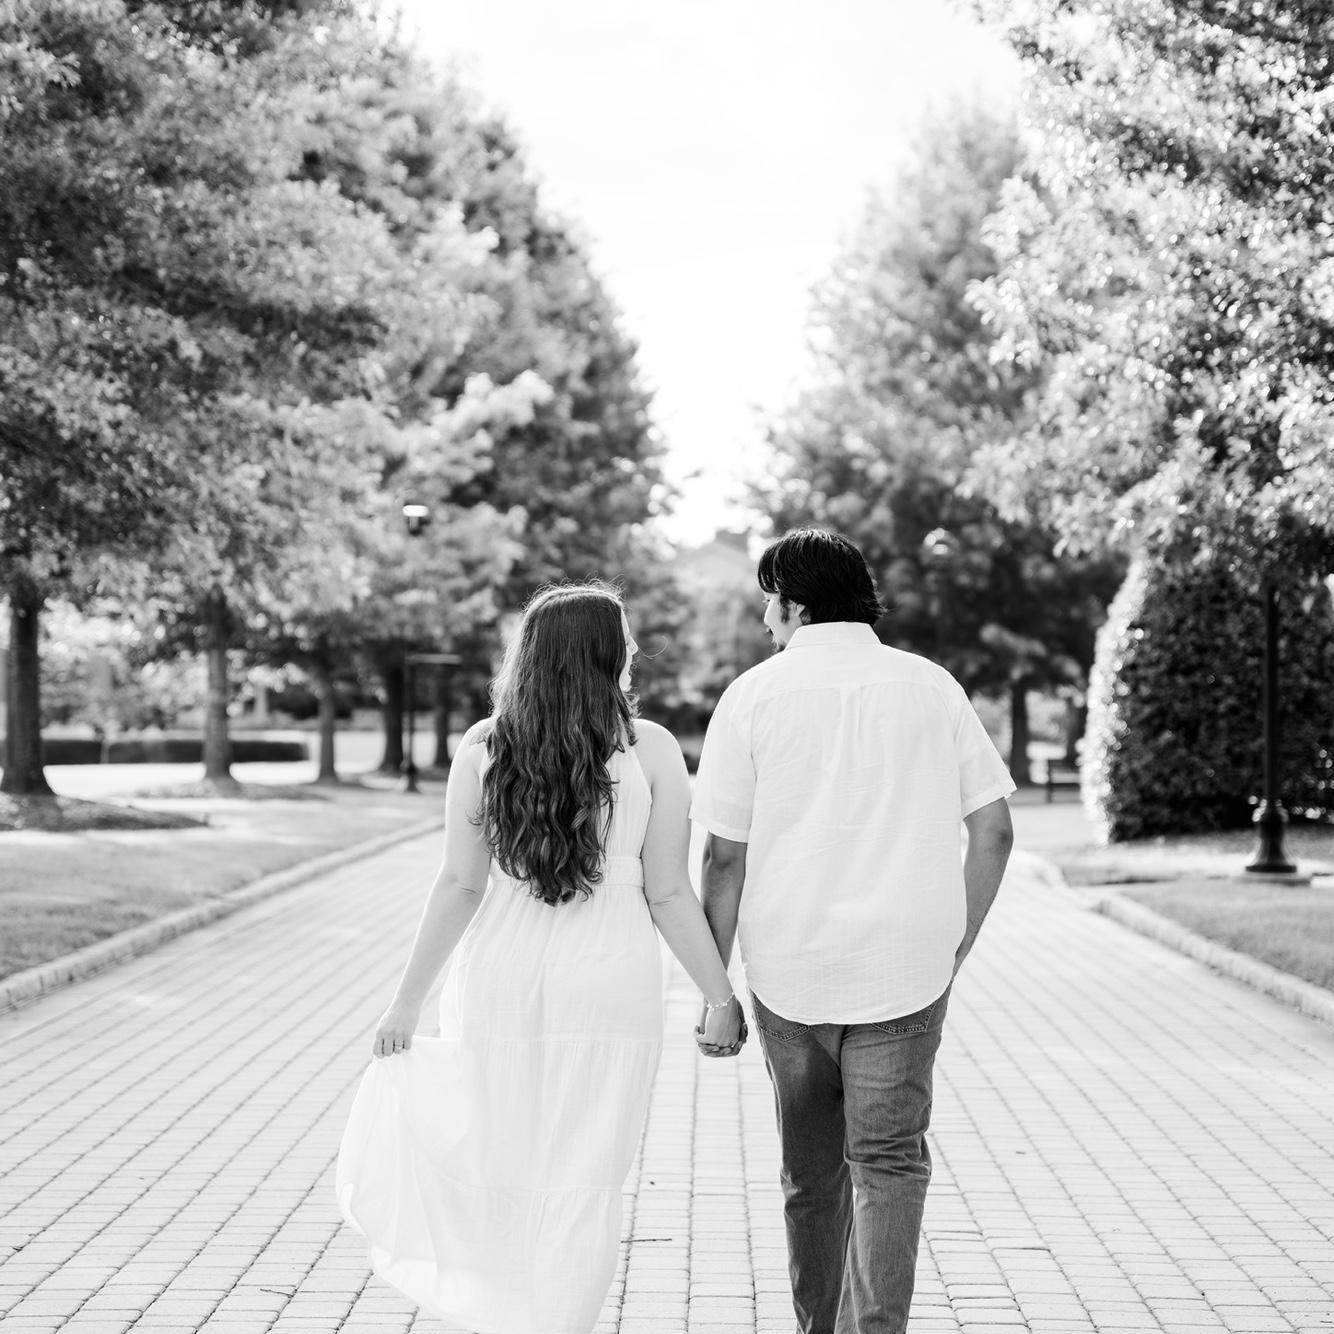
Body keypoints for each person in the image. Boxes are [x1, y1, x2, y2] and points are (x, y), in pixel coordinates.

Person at [336, 581, 744, 1334]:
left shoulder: (484, 746)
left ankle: (506, 1315)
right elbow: (667, 893)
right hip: (609, 978)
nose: (633, 649)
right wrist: (720, 996)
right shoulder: (650, 749)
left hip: (500, 974)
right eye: (623, 637)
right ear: (603, 653)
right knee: (585, 1176)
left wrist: (407, 1002)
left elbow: (461, 884)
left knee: (500, 1161)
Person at [690, 528, 1015, 1334]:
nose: (766, 619)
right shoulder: (932, 687)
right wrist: (955, 944)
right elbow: (995, 830)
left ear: (797, 604)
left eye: (770, 601)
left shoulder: (751, 697)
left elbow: (723, 859)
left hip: (789, 971)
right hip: (907, 970)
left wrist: (714, 992)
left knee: (811, 1177)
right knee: (890, 1165)